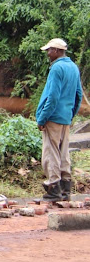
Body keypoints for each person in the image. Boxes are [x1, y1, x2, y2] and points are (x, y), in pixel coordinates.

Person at [35, 38, 83, 202]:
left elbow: (53, 96)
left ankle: (53, 187)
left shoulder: (56, 68)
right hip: (65, 118)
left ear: (56, 51)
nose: (48, 53)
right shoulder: (73, 67)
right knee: (63, 152)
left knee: (51, 152)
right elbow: (79, 95)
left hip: (53, 117)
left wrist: (42, 118)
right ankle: (66, 189)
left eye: (49, 50)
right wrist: (71, 114)